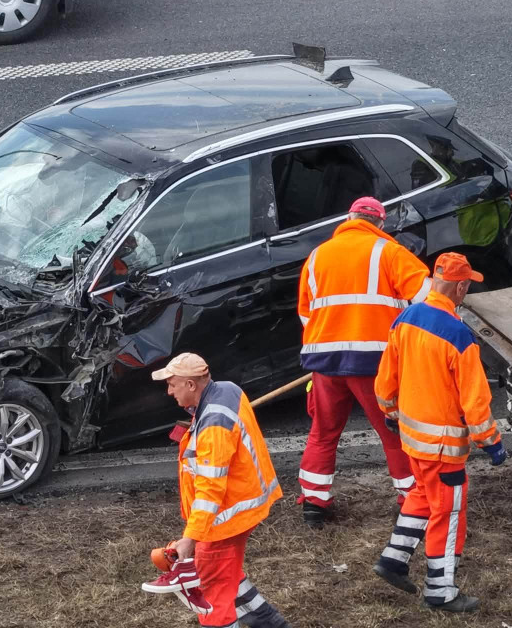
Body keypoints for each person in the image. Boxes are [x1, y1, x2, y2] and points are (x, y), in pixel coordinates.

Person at [372, 253, 506, 613]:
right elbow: (475, 400)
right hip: (444, 449)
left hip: (413, 441)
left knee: (420, 495)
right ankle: (441, 591)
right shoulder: (459, 335)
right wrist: (492, 442)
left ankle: (394, 560)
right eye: (468, 285)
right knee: (447, 516)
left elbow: (385, 380)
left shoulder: (406, 318)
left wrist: (390, 413)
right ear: (460, 287)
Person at [296, 197, 430, 525]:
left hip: (325, 360)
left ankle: (314, 502)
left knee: (323, 431)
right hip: (374, 361)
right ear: (381, 224)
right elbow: (429, 298)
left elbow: (305, 314)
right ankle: (411, 498)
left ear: (349, 219)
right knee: (393, 432)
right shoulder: (390, 252)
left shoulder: (317, 256)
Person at [142, 353, 291, 628]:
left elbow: (210, 489)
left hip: (223, 519)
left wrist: (190, 538)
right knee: (226, 573)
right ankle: (267, 621)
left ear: (191, 384)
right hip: (240, 506)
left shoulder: (213, 426)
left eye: (172, 385)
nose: (169, 392)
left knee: (212, 594)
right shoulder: (228, 390)